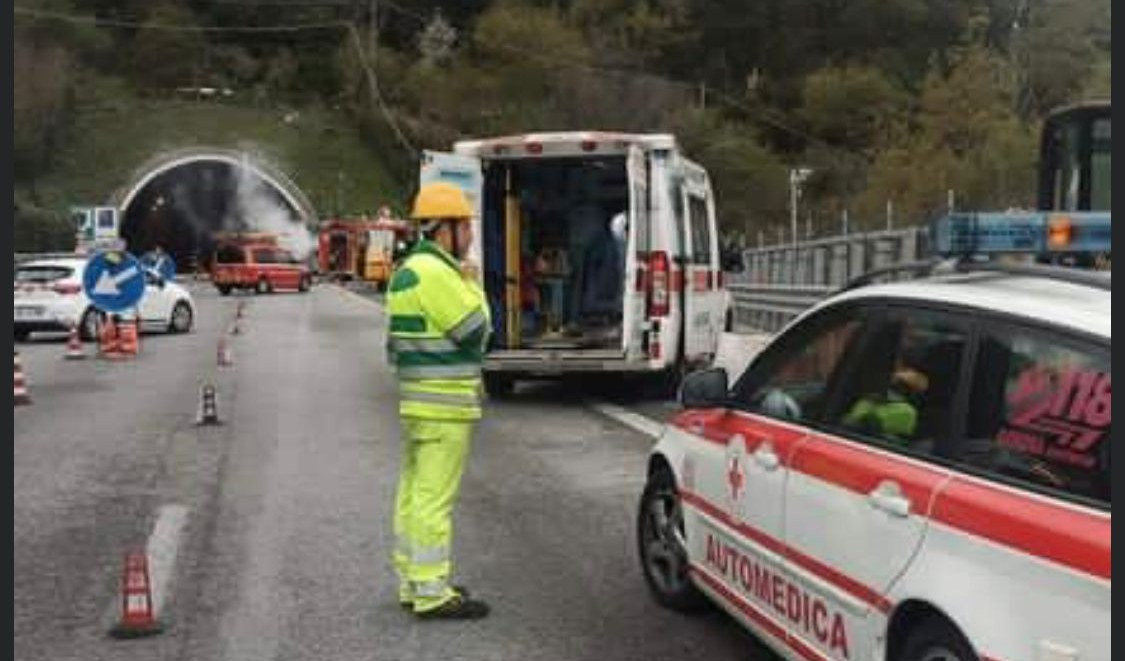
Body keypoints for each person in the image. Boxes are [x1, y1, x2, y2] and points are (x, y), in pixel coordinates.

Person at [385, 182, 492, 620]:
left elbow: (393, 349)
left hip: (416, 403)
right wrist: (476, 286)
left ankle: (413, 580)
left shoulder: (406, 271)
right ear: (444, 229)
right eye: (464, 226)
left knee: (413, 494)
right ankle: (432, 591)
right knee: (434, 500)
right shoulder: (437, 273)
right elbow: (477, 330)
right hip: (446, 407)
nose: (469, 235)